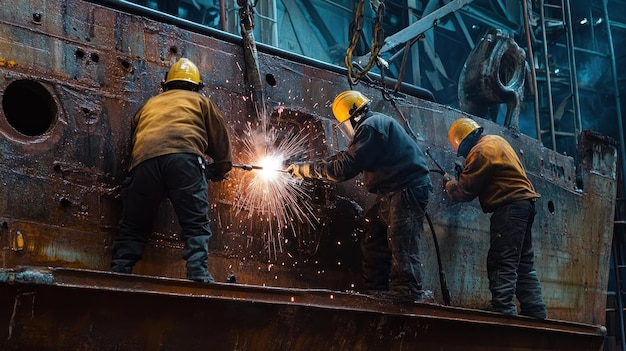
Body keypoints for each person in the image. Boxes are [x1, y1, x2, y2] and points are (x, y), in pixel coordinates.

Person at [286, 90, 432, 302]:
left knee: (401, 240)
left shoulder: (371, 126)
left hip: (407, 190)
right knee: (374, 235)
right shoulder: (372, 126)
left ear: (353, 115)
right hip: (392, 191)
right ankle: (376, 289)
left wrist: (304, 171)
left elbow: (344, 168)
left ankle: (408, 290)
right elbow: (344, 158)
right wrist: (305, 167)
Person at [110, 58, 232, 283]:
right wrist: (220, 169)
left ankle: (119, 270)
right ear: (197, 86)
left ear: (166, 84)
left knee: (134, 226)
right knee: (195, 223)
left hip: (144, 163)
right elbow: (220, 142)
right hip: (184, 160)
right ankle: (198, 273)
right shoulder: (201, 102)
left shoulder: (149, 104)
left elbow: (135, 139)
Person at [443, 117, 547, 318]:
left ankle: (503, 307)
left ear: (462, 141)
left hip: (509, 208)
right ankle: (535, 309)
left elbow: (464, 191)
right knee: (523, 262)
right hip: (525, 205)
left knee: (502, 259)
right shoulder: (496, 140)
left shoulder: (480, 152)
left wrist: (449, 183)